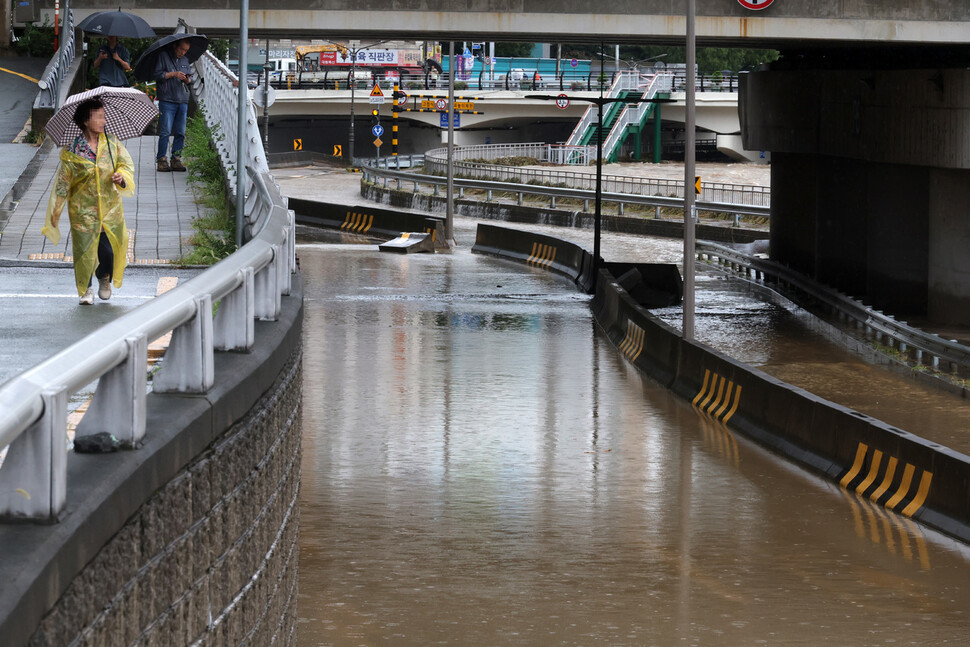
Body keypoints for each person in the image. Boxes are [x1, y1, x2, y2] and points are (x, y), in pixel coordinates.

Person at [41, 98, 135, 305]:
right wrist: (56, 211)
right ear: (85, 121)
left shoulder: (111, 144)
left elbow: (126, 166)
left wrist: (121, 177)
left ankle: (104, 277)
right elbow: (63, 183)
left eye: (104, 116)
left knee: (108, 251)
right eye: (98, 117)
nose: (103, 121)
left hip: (109, 209)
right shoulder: (73, 150)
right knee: (84, 251)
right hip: (82, 210)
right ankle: (86, 289)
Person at [153, 39, 192, 172]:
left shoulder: (185, 60)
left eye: (186, 50)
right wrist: (173, 74)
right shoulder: (163, 56)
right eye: (181, 49)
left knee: (180, 132)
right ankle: (162, 159)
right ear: (175, 46)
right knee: (165, 131)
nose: (183, 52)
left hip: (182, 100)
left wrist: (187, 79)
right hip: (167, 99)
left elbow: (189, 79)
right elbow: (157, 74)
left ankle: (176, 158)